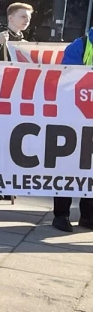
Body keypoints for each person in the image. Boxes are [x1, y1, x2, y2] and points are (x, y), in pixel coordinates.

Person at [0, 3, 32, 202]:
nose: (26, 21)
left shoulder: (24, 42)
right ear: (11, 18)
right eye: (22, 17)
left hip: (14, 98)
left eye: (28, 18)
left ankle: (4, 183)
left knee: (9, 144)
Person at [54, 26, 93, 233]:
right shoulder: (80, 45)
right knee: (68, 165)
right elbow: (67, 76)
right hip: (75, 116)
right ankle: (61, 215)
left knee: (91, 167)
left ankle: (88, 216)